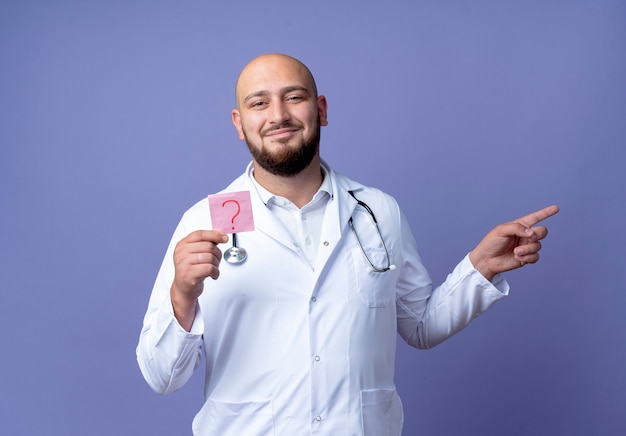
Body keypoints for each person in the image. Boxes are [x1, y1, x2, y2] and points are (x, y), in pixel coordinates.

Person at [136, 53, 559, 435]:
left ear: (320, 110)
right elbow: (161, 377)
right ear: (238, 123)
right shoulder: (203, 221)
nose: (278, 115)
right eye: (259, 102)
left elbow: (420, 326)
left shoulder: (378, 211)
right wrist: (182, 296)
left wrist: (479, 268)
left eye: (294, 97)